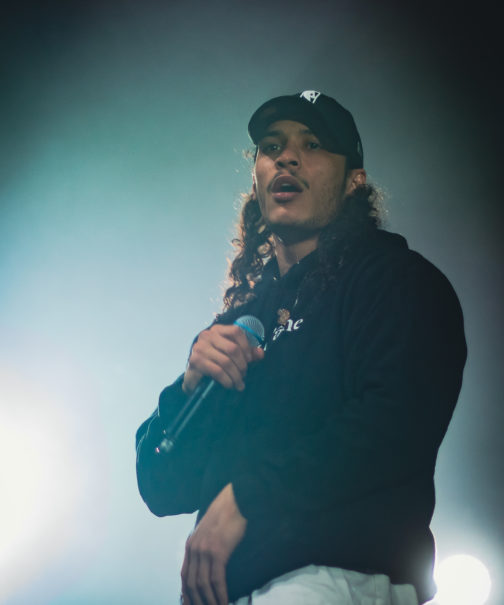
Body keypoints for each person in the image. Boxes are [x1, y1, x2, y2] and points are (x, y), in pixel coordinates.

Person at [135, 91, 467, 605]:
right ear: (257, 179)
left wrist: (246, 499)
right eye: (271, 146)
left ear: (355, 180)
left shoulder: (397, 281)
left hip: (337, 579)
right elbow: (162, 486)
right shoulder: (240, 324)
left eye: (312, 144)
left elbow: (393, 427)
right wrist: (186, 389)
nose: (286, 157)